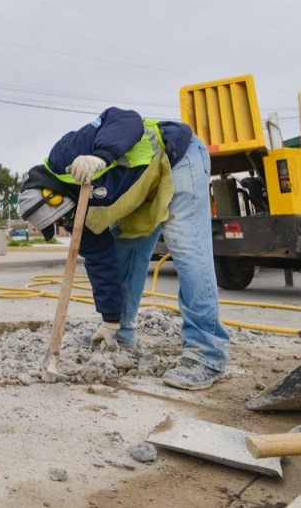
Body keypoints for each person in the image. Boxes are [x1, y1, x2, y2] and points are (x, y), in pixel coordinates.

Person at [18, 107, 229, 391]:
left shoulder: (63, 155)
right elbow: (102, 263)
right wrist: (110, 321)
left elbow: (125, 118)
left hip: (177, 156)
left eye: (60, 219)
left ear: (53, 197)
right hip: (144, 186)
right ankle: (120, 333)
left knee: (187, 249)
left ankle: (207, 353)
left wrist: (100, 156)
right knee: (123, 252)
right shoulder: (78, 215)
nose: (64, 225)